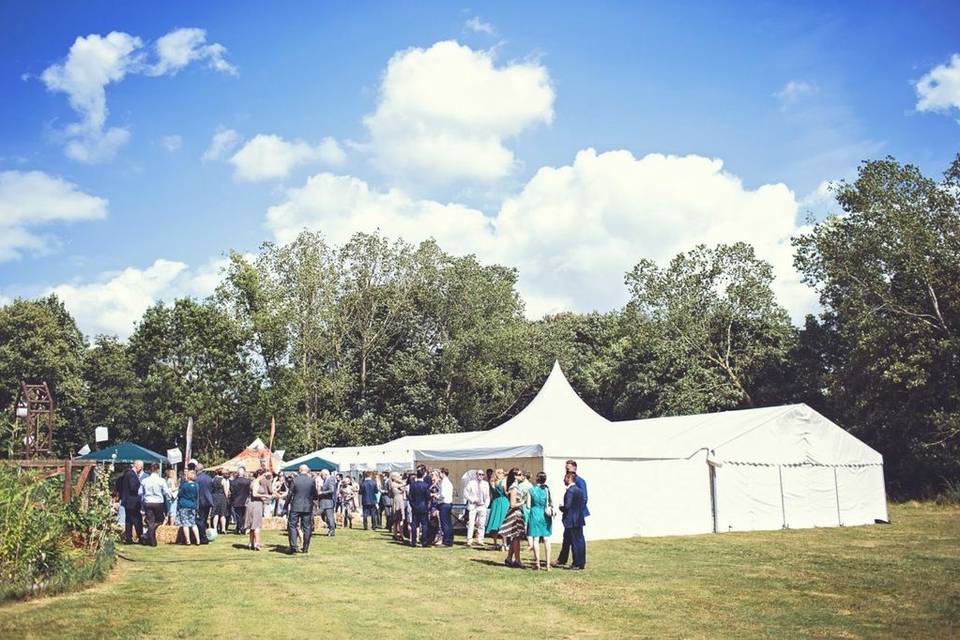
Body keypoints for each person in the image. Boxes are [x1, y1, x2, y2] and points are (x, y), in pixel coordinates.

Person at [555, 460, 589, 567]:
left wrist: (576, 512)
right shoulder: (570, 482)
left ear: (574, 468)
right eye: (566, 468)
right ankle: (562, 559)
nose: (566, 470)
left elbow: (584, 498)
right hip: (572, 515)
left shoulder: (579, 481)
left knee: (576, 539)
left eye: (568, 468)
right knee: (567, 538)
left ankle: (578, 561)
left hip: (575, 515)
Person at [498, 468, 530, 568]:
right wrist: (523, 502)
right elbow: (512, 504)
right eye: (520, 474)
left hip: (517, 513)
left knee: (515, 538)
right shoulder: (514, 487)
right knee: (516, 538)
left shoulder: (515, 486)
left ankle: (509, 558)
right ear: (515, 476)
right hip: (515, 513)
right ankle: (517, 560)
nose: (522, 476)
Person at [139, 463, 173, 547]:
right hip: (158, 502)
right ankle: (151, 539)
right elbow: (166, 492)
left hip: (148, 502)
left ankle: (149, 536)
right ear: (158, 470)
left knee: (151, 521)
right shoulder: (161, 480)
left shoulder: (145, 480)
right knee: (160, 520)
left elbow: (140, 492)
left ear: (150, 470)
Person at [559, 472, 586, 570]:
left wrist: (561, 507)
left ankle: (577, 563)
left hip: (571, 520)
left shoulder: (570, 491)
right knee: (578, 541)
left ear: (569, 478)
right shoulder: (579, 490)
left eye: (565, 478)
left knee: (575, 542)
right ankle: (581, 562)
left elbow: (567, 506)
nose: (564, 480)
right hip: (578, 518)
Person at [527, 471, 554, 570]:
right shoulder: (547, 489)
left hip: (534, 513)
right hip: (544, 514)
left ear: (536, 479)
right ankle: (547, 565)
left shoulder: (531, 490)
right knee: (546, 539)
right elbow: (552, 502)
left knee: (535, 539)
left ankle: (537, 563)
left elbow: (528, 505)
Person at [120, 460, 144, 544]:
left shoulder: (127, 474)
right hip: (133, 501)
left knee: (129, 521)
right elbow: (133, 487)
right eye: (141, 467)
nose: (141, 469)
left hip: (127, 501)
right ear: (137, 466)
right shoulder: (132, 475)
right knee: (137, 520)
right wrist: (139, 485)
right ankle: (140, 537)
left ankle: (129, 538)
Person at [464, 469, 490, 546]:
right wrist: (472, 500)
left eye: (482, 474)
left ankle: (480, 539)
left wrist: (486, 505)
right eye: (479, 474)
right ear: (476, 475)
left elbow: (487, 495)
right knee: (471, 523)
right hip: (473, 505)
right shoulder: (471, 483)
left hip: (482, 506)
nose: (481, 476)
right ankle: (469, 540)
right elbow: (465, 493)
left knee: (482, 524)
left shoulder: (485, 484)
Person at [485, 468, 509, 550]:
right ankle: (504, 543)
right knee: (503, 522)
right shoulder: (503, 482)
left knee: (495, 522)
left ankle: (495, 543)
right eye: (501, 473)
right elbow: (506, 492)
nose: (502, 474)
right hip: (503, 502)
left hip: (495, 503)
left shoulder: (491, 482)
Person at [407, 468, 431, 547]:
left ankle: (413, 541)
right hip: (424, 507)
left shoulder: (413, 485)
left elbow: (410, 497)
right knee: (424, 525)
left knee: (414, 525)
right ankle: (424, 541)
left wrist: (412, 505)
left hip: (415, 507)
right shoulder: (425, 485)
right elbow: (428, 496)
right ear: (423, 475)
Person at [177, 469, 201, 545]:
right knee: (193, 523)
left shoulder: (184, 485)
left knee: (185, 524)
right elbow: (197, 496)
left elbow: (179, 494)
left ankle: (188, 540)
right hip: (193, 505)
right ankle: (198, 540)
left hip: (184, 505)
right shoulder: (196, 485)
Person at [195, 463, 214, 544]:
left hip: (199, 501)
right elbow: (211, 490)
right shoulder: (209, 478)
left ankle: (202, 537)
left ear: (196, 470)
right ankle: (203, 535)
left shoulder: (196, 479)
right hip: (207, 501)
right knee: (205, 519)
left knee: (200, 520)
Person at [231, 466, 251, 534]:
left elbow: (232, 491)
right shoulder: (247, 481)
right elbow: (249, 491)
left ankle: (239, 527)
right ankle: (241, 527)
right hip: (245, 500)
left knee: (238, 515)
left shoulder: (233, 482)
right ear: (244, 472)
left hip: (236, 500)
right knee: (243, 515)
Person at [318, 469, 338, 536]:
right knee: (326, 517)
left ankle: (332, 530)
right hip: (324, 502)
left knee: (330, 518)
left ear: (325, 474)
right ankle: (330, 529)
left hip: (328, 502)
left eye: (321, 475)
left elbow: (331, 490)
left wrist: (322, 492)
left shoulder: (330, 479)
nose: (321, 477)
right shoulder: (325, 480)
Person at [210, 469, 230, 533]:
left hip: (214, 497)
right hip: (222, 497)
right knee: (222, 514)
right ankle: (223, 529)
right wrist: (227, 498)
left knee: (215, 514)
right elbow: (226, 491)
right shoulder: (223, 480)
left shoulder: (213, 479)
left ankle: (215, 528)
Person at [438, 468, 454, 546]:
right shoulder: (449, 482)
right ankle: (450, 540)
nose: (439, 475)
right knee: (449, 523)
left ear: (443, 473)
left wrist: (436, 496)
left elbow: (443, 495)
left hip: (444, 504)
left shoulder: (444, 482)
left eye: (440, 473)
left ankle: (446, 541)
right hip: (449, 504)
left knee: (445, 523)